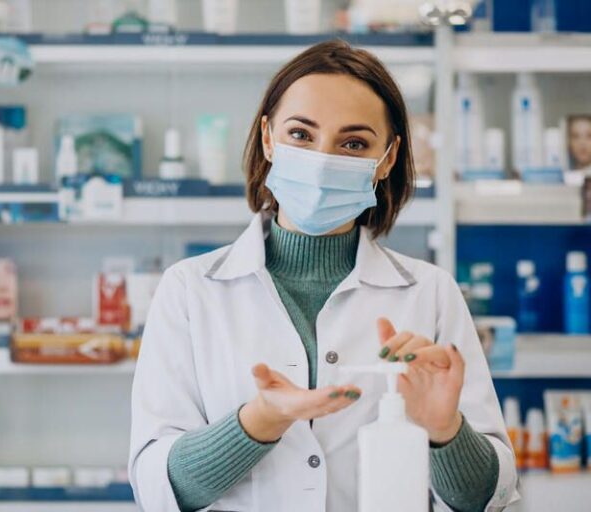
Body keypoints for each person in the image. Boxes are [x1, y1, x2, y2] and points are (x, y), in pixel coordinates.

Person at [128, 40, 518, 512]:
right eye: (301, 135)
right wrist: (259, 421)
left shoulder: (430, 293)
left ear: (387, 158)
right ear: (269, 138)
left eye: (353, 143)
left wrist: (445, 432)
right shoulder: (190, 289)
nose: (322, 159)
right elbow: (158, 488)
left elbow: (487, 500)